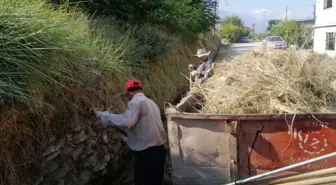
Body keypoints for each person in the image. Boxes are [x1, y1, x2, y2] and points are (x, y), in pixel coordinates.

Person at [90, 79, 167, 185]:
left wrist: (100, 114)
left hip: (147, 154)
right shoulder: (152, 103)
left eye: (127, 96)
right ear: (141, 89)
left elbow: (126, 121)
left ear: (129, 93)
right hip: (160, 151)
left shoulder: (135, 102)